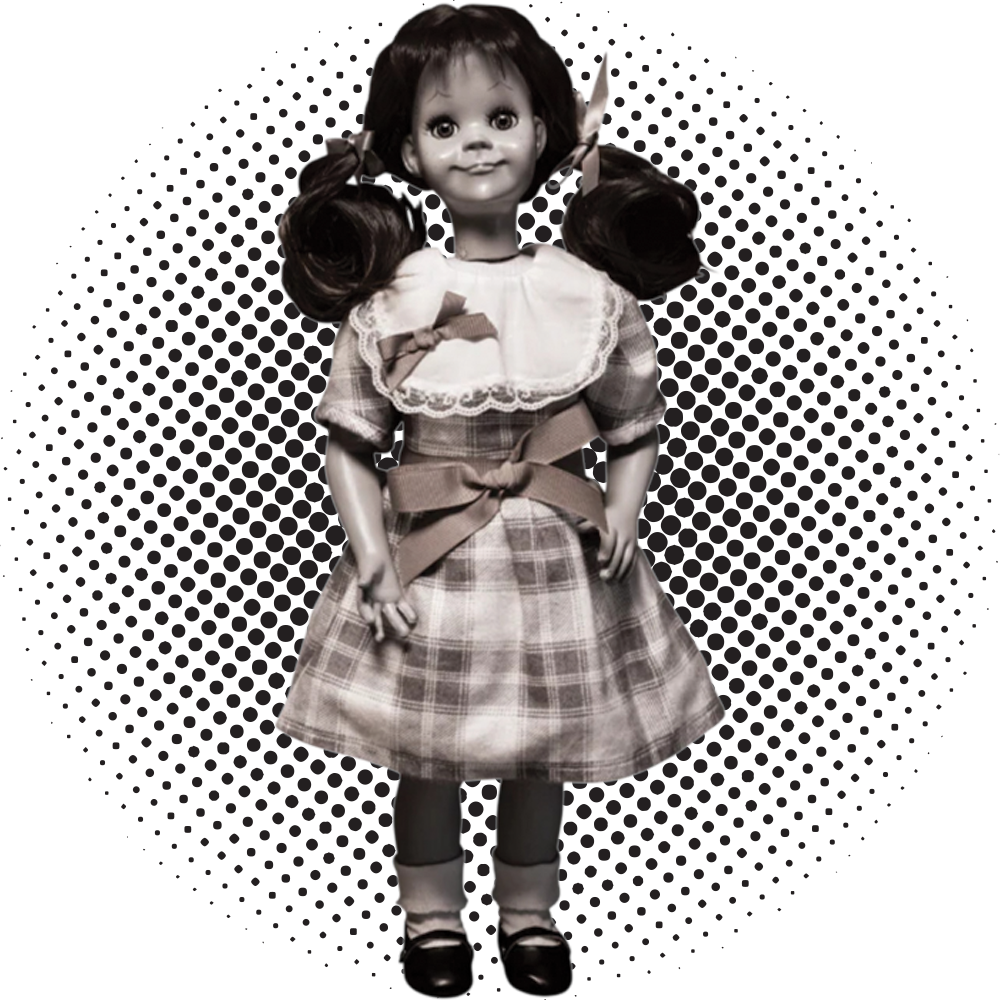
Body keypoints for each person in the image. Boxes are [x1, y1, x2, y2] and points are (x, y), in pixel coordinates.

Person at [275, 4, 725, 997]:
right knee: (427, 752)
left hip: (556, 548)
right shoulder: (394, 298)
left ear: (544, 133)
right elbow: (350, 437)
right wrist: (373, 559)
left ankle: (529, 913)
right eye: (445, 125)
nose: (476, 142)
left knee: (540, 751)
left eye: (501, 118)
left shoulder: (585, 291)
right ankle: (431, 916)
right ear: (408, 152)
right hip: (431, 551)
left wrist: (621, 509)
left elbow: (633, 420)